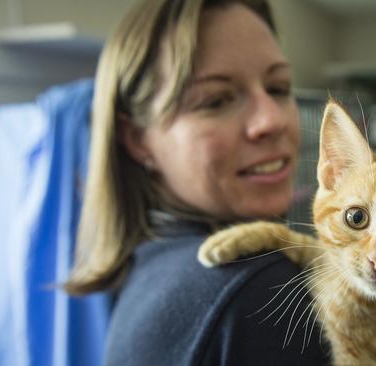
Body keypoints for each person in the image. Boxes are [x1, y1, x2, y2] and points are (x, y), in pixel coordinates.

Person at [64, 0, 330, 364]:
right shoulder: (260, 291)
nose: (271, 120)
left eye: (279, 87)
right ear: (138, 139)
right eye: (216, 100)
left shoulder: (151, 265)